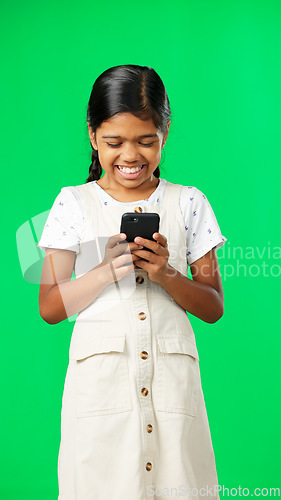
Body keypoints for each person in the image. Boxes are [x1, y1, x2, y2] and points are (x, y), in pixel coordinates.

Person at [38, 64, 227, 500]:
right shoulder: (73, 203)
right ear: (92, 135)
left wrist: (165, 273)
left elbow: (213, 306)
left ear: (165, 132)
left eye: (146, 141)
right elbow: (51, 306)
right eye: (114, 142)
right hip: (100, 401)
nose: (130, 156)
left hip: (173, 395)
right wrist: (106, 272)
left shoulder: (190, 202)